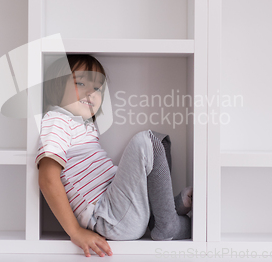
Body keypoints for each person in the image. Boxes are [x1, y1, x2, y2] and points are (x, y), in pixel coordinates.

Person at [36, 54, 193, 257]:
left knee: (161, 143)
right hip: (106, 215)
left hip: (118, 212)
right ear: (55, 87)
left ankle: (161, 216)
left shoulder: (84, 126)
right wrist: (75, 232)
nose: (90, 92)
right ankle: (166, 222)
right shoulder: (57, 120)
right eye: (81, 82)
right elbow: (47, 178)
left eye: (97, 88)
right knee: (146, 140)